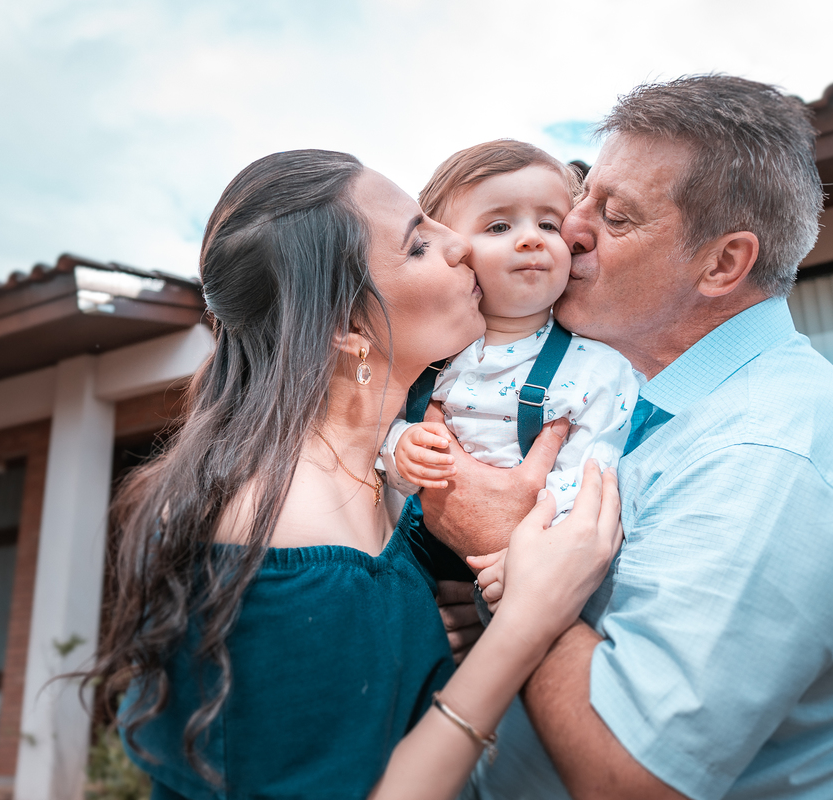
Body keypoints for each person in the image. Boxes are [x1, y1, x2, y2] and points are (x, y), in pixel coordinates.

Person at [422, 76, 833, 800]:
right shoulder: (640, 402)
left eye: (615, 217)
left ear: (722, 265)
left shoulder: (765, 454)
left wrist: (506, 551)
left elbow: (634, 780)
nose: (571, 229)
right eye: (583, 195)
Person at [84, 149, 623, 800]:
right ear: (347, 328)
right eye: (419, 245)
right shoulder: (289, 536)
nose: (459, 245)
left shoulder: (389, 481)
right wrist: (524, 625)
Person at [379, 140, 638, 526]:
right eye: (499, 226)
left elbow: (589, 482)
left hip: (526, 550)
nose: (531, 238)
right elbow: (370, 428)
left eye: (549, 224)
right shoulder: (418, 352)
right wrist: (398, 445)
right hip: (416, 553)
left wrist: (526, 550)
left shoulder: (598, 371)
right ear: (452, 249)